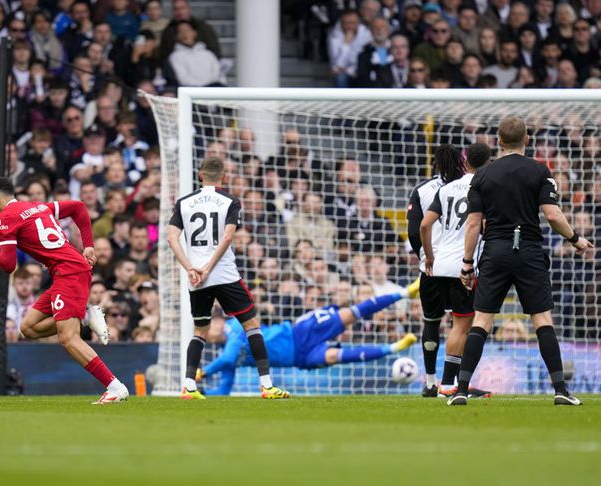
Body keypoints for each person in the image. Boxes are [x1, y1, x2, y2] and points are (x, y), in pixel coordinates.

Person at [450, 116, 594, 406]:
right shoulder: (539, 170)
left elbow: (474, 224)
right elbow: (552, 215)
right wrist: (575, 239)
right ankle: (561, 391)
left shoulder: (482, 176)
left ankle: (461, 390)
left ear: (499, 142)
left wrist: (467, 263)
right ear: (527, 139)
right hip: (528, 249)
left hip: (496, 250)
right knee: (542, 320)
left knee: (482, 321)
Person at [0, 178, 126, 404]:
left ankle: (114, 387)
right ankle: (85, 316)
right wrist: (88, 245)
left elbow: (8, 265)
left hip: (68, 272)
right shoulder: (38, 206)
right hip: (67, 271)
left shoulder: (5, 218)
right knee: (28, 327)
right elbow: (78, 207)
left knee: (68, 338)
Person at [166, 156, 289, 400]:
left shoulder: (184, 202)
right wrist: (209, 267)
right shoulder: (230, 201)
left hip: (196, 278)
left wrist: (191, 268)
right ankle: (266, 385)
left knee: (200, 330)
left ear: (200, 175)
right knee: (252, 325)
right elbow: (227, 238)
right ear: (223, 177)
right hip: (223, 273)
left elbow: (171, 238)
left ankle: (189, 386)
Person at [198, 282, 420, 396]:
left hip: (301, 332)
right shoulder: (227, 355)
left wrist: (204, 371)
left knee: (350, 314)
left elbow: (227, 358)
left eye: (206, 331)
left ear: (217, 322)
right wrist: (204, 392)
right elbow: (224, 389)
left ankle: (403, 293)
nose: (208, 336)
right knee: (335, 357)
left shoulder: (235, 326)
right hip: (299, 357)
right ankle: (392, 348)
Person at [418, 143, 493, 398]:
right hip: (464, 265)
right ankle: (448, 384)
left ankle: (450, 382)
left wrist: (429, 256)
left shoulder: (447, 188)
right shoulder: (483, 186)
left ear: (466, 161)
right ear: (488, 162)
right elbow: (481, 224)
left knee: (456, 324)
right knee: (462, 325)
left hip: (439, 264)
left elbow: (425, 225)